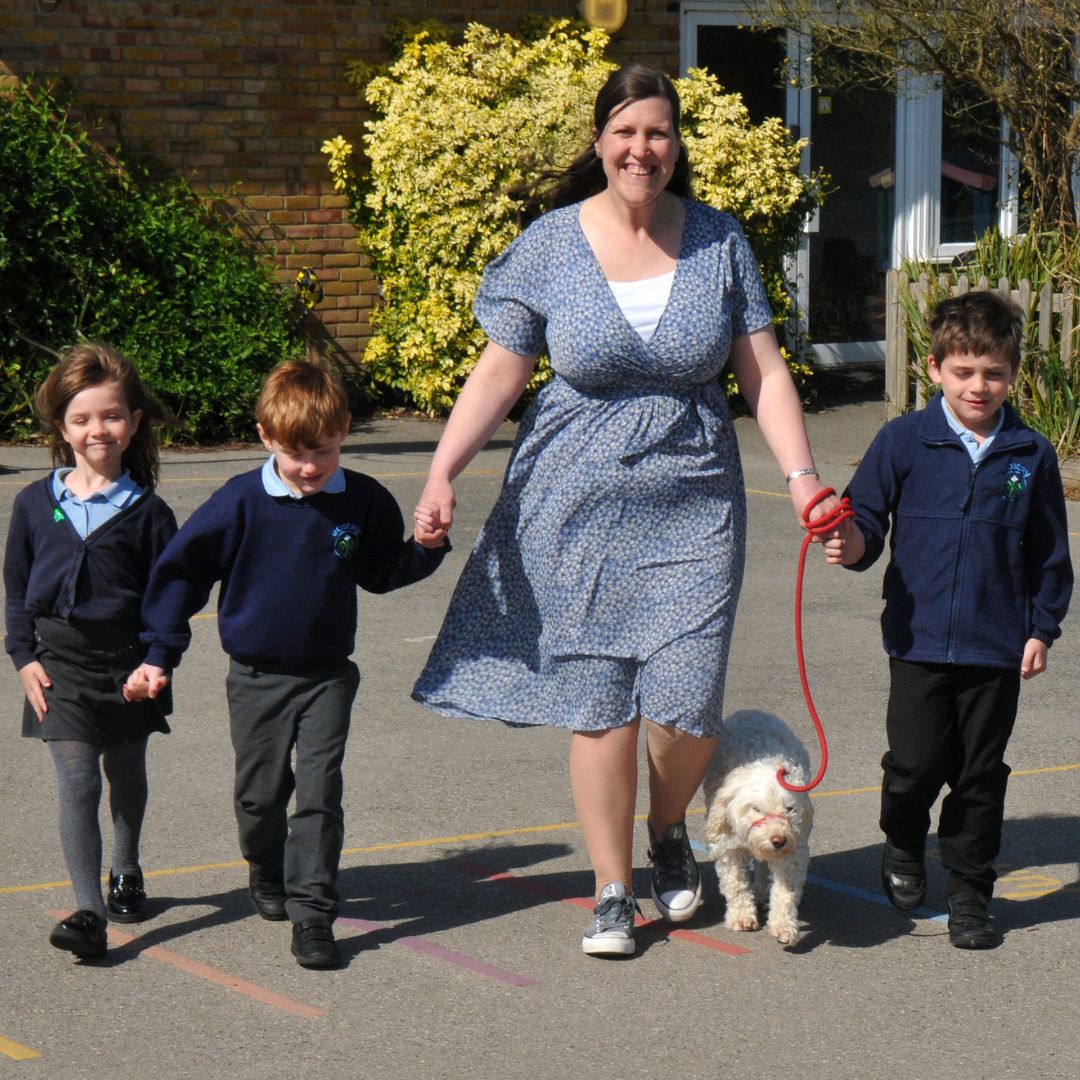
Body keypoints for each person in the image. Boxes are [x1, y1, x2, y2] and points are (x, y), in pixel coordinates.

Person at [411, 64, 842, 957]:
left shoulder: (719, 240)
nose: (641, 149)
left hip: (696, 502)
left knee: (686, 704)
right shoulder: (550, 244)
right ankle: (612, 890)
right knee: (600, 701)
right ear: (601, 142)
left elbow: (763, 371)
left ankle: (667, 828)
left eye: (658, 132)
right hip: (572, 503)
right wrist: (443, 471)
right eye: (625, 132)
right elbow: (499, 372)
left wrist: (802, 477)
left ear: (675, 144)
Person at [124, 359, 449, 969]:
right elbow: (182, 576)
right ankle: (266, 867)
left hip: (327, 676)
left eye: (322, 451)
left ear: (344, 430)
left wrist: (426, 548)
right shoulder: (239, 501)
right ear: (266, 436)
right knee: (260, 799)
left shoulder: (363, 499)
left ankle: (313, 915)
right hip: (255, 678)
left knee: (320, 793)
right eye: (296, 453)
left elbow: (381, 572)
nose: (309, 466)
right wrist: (160, 654)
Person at [826, 290, 1073, 948]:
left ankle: (970, 892)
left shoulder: (1030, 453)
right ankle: (904, 840)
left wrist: (1040, 628)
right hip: (919, 639)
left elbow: (1049, 553)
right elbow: (864, 517)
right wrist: (851, 542)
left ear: (1013, 374)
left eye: (994, 373)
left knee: (979, 775)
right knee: (914, 767)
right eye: (963, 371)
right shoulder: (903, 440)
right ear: (935, 369)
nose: (978, 386)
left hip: (997, 646)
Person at [4, 343, 178, 959]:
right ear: (61, 427)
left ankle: (126, 866)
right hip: (58, 666)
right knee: (78, 781)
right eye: (81, 419)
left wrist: (157, 661)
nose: (96, 429)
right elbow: (16, 589)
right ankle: (89, 914)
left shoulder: (150, 514)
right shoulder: (33, 503)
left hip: (129, 664)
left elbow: (170, 602)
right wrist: (23, 656)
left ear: (133, 422)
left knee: (124, 772)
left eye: (110, 416)